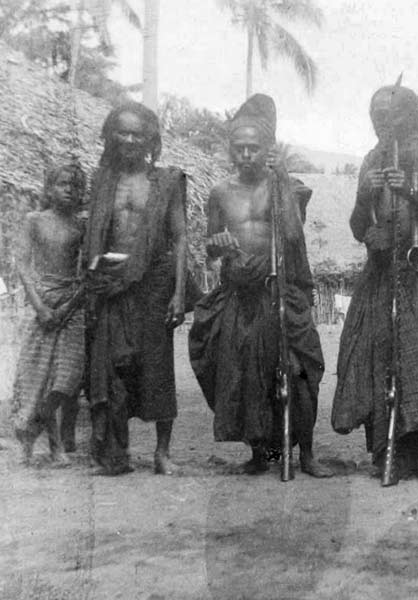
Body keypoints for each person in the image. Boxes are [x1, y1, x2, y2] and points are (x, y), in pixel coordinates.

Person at [188, 94, 332, 478]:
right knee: (242, 374)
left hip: (280, 289)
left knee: (301, 371)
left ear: (268, 149)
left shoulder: (289, 185)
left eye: (254, 148)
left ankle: (307, 455)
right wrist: (219, 248)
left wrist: (281, 180)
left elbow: (291, 234)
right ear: (230, 151)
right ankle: (260, 453)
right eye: (240, 149)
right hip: (241, 294)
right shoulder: (219, 193)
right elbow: (210, 249)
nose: (247, 155)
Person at [332, 82, 418, 485]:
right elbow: (359, 227)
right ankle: (385, 449)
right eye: (374, 113)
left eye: (388, 112)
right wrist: (364, 197)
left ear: (410, 115)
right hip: (380, 274)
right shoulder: (371, 161)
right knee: (380, 359)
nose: (380, 120)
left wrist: (409, 193)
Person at [84, 102, 187, 476]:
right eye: (122, 132)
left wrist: (178, 293)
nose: (129, 139)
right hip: (109, 283)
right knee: (110, 370)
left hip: (153, 283)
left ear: (150, 139)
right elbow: (93, 233)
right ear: (110, 135)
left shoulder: (167, 182)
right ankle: (117, 455)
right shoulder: (102, 181)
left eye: (137, 133)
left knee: (157, 367)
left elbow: (180, 237)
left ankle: (162, 453)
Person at [11, 163, 87, 464]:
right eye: (62, 183)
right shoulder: (34, 220)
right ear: (49, 187)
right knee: (40, 377)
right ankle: (52, 446)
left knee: (66, 380)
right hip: (43, 301)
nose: (69, 189)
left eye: (75, 185)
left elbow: (89, 270)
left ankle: (31, 431)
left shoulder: (82, 225)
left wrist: (71, 304)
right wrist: (40, 307)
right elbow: (23, 265)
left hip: (72, 303)